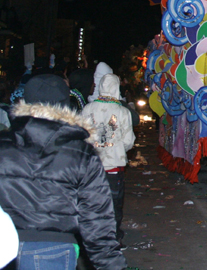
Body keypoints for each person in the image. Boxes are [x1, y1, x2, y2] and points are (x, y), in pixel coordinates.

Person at [0, 73, 126, 270]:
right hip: (53, 249)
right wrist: (112, 264)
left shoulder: (4, 146)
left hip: (5, 245)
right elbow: (96, 219)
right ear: (65, 105)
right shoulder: (81, 153)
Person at [82, 73, 136, 245]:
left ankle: (92, 236)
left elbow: (80, 135)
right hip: (113, 166)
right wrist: (116, 149)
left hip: (91, 166)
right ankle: (112, 236)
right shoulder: (122, 112)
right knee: (114, 203)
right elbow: (128, 141)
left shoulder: (87, 109)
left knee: (92, 202)